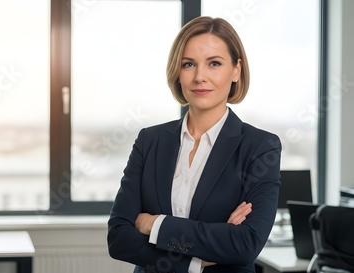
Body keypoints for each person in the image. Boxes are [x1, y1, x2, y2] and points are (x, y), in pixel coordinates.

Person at [107, 16, 282, 273]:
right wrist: (197, 259)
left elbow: (246, 244)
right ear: (178, 72)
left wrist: (153, 224)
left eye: (214, 63)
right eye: (189, 64)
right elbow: (119, 238)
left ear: (236, 70)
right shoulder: (149, 141)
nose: (200, 77)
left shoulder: (260, 147)